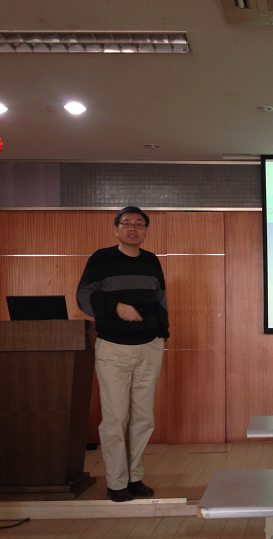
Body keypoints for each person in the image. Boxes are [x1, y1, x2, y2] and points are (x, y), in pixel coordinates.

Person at [77, 206, 169, 502]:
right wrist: (116, 308)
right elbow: (84, 296)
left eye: (139, 224)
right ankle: (116, 482)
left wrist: (162, 332)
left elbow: (160, 299)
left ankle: (134, 477)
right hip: (114, 348)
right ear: (116, 228)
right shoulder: (100, 259)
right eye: (126, 223)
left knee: (143, 418)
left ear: (145, 230)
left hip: (148, 347)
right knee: (116, 418)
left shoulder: (151, 261)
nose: (133, 228)